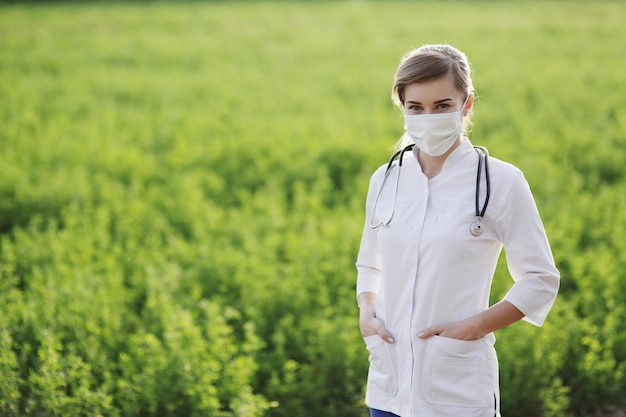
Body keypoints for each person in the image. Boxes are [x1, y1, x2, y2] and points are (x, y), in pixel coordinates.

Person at [355, 44, 560, 417]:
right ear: (402, 107)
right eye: (415, 107)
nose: (427, 117)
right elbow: (370, 265)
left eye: (442, 105)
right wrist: (366, 310)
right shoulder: (386, 179)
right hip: (388, 388)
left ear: (467, 105)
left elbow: (540, 278)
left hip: (456, 390)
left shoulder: (500, 181)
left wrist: (475, 326)